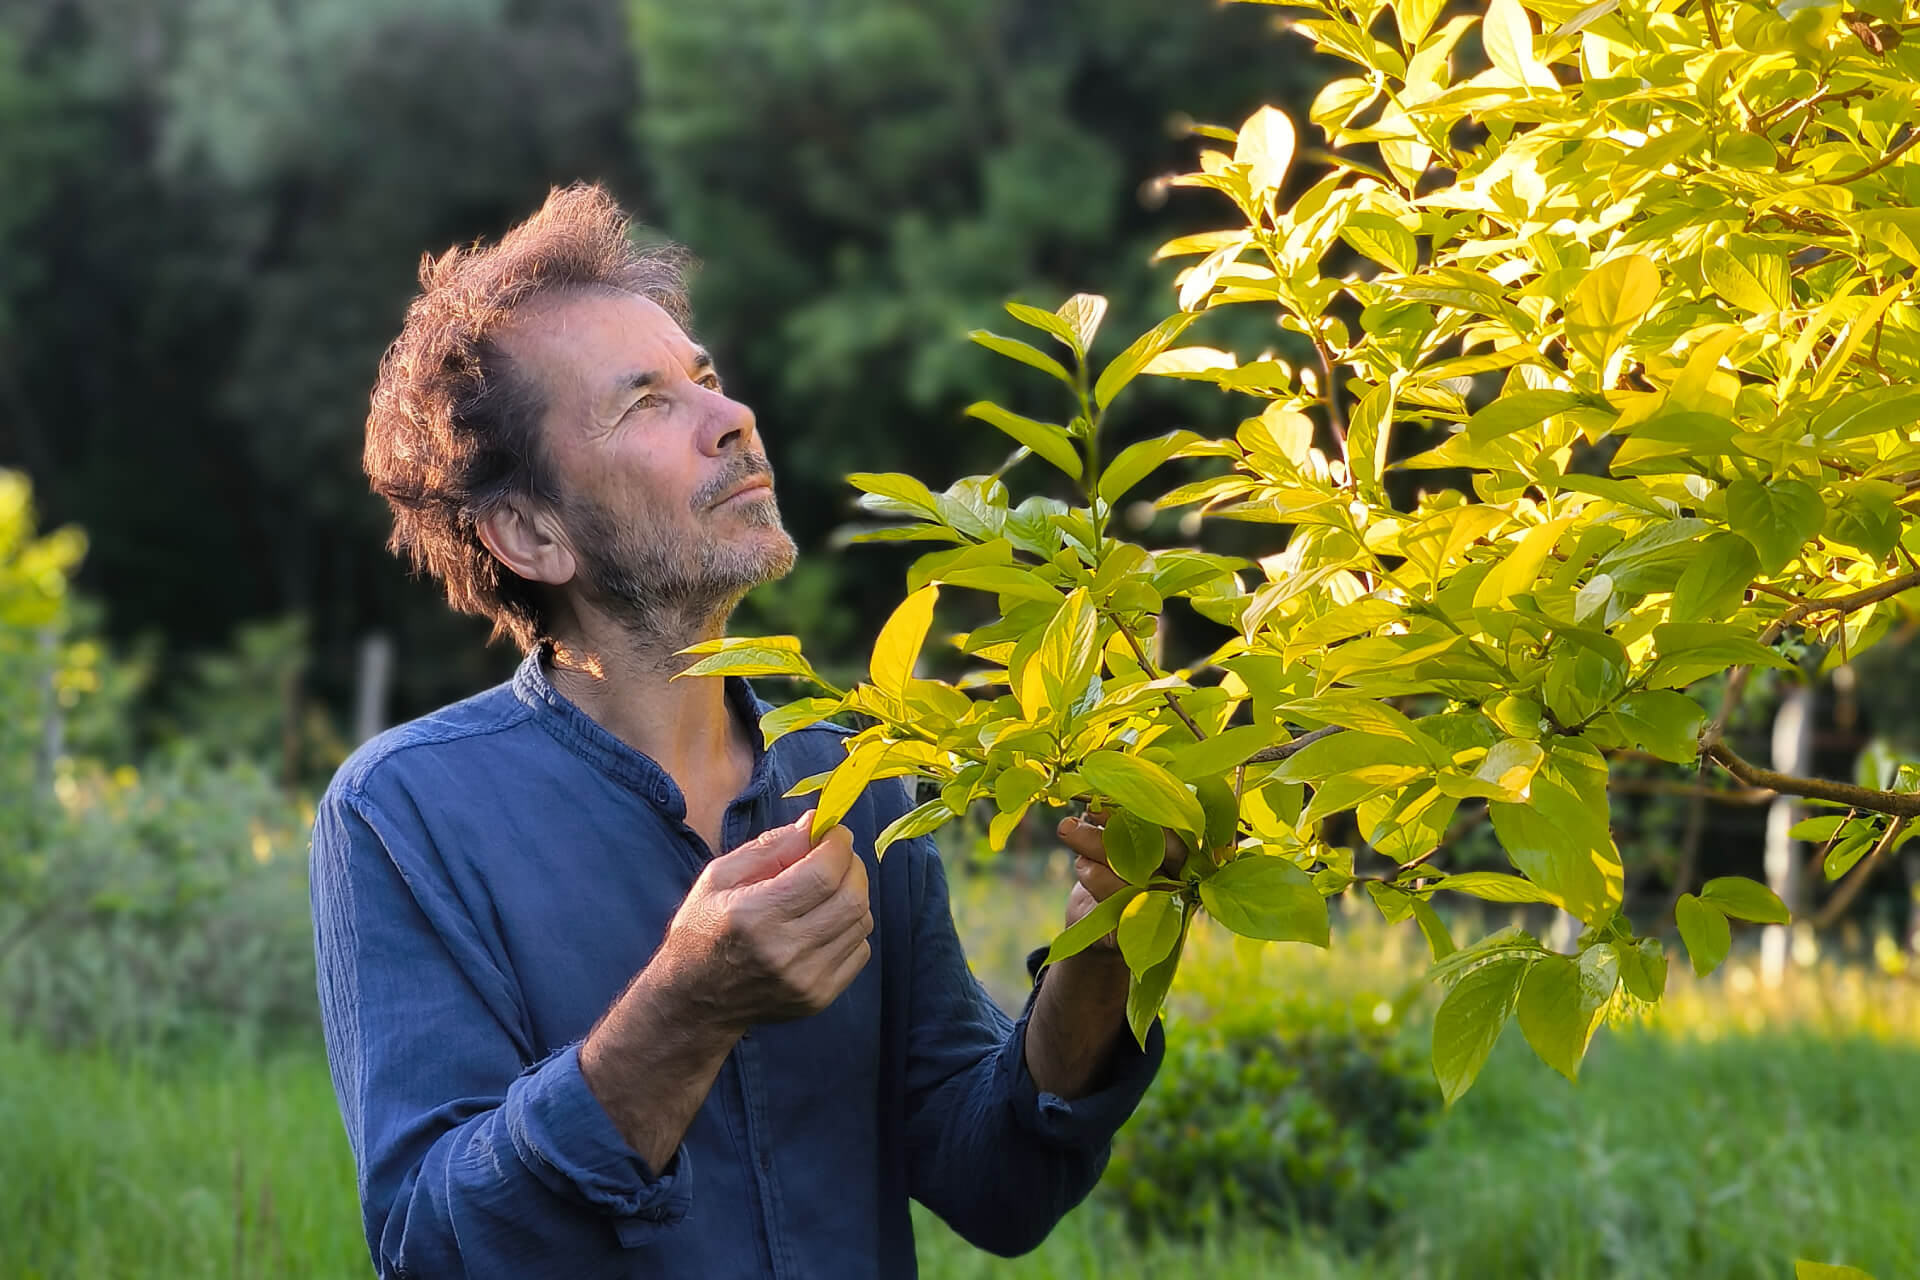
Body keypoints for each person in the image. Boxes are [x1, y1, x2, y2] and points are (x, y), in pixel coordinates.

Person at [310, 182, 1166, 1279]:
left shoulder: (853, 768)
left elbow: (994, 1181)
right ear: (529, 531)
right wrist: (685, 1006)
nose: (732, 415)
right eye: (646, 404)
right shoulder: (406, 813)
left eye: (704, 378)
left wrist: (1111, 938)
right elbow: (437, 1247)